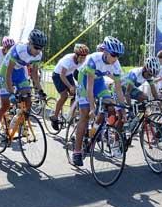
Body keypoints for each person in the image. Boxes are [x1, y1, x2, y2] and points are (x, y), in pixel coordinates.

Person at [72, 36, 126, 167]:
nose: (116, 58)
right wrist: (91, 107)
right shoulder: (93, 59)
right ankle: (77, 151)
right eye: (114, 55)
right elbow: (89, 88)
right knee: (85, 115)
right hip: (85, 81)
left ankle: (94, 132)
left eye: (118, 55)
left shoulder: (116, 64)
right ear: (106, 52)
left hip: (99, 82)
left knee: (110, 107)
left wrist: (123, 108)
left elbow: (118, 89)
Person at [0, 29, 47, 141]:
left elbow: (34, 74)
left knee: (28, 100)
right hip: (6, 72)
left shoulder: (38, 55)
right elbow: (8, 73)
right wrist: (11, 92)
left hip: (19, 72)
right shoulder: (19, 49)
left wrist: (40, 91)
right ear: (29, 43)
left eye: (40, 48)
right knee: (5, 105)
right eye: (36, 47)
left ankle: (17, 118)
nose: (38, 51)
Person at [50, 43, 89, 130]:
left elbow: (81, 73)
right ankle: (55, 116)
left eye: (84, 57)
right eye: (81, 57)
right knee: (64, 96)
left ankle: (71, 115)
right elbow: (62, 75)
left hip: (69, 75)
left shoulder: (82, 60)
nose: (83, 59)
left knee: (76, 94)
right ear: (76, 55)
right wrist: (70, 86)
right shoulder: (68, 59)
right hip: (58, 75)